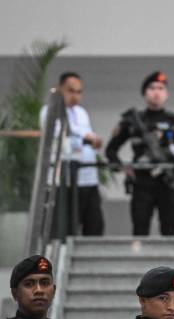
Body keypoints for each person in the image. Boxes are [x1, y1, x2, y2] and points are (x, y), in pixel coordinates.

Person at [105, 71, 174, 237]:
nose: (156, 92)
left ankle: (168, 263)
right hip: (142, 184)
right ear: (145, 93)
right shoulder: (132, 121)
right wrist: (122, 168)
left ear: (167, 94)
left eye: (161, 88)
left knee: (170, 231)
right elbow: (111, 150)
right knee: (140, 230)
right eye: (152, 88)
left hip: (168, 183)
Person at [40, 72, 106, 236]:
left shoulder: (82, 113)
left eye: (79, 92)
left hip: (87, 178)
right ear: (61, 89)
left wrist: (93, 140)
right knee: (65, 227)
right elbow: (57, 134)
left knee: (95, 224)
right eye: (71, 90)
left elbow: (87, 136)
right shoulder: (49, 110)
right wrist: (86, 137)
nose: (75, 96)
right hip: (63, 181)